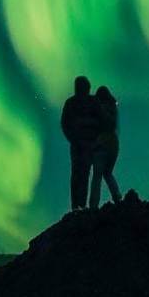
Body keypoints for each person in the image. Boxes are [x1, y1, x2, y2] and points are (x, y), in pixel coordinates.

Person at [60, 75, 101, 210]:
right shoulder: (72, 103)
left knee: (83, 174)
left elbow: (101, 121)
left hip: (87, 145)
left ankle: (80, 206)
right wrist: (74, 139)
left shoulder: (91, 102)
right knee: (79, 174)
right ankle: (77, 206)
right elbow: (65, 124)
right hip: (79, 145)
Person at [89, 85, 121, 208]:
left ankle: (93, 206)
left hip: (100, 146)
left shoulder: (99, 110)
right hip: (113, 146)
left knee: (97, 177)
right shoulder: (113, 109)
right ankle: (117, 198)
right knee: (107, 173)